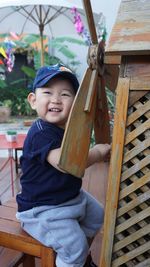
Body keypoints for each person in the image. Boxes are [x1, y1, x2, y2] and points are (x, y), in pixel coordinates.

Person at [16, 63, 111, 267]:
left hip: (68, 197)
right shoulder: (41, 132)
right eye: (48, 92)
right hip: (41, 209)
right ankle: (74, 256)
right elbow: (66, 162)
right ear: (33, 100)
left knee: (97, 215)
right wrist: (97, 152)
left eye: (65, 94)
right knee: (75, 247)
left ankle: (78, 260)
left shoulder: (65, 130)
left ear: (75, 105)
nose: (56, 99)